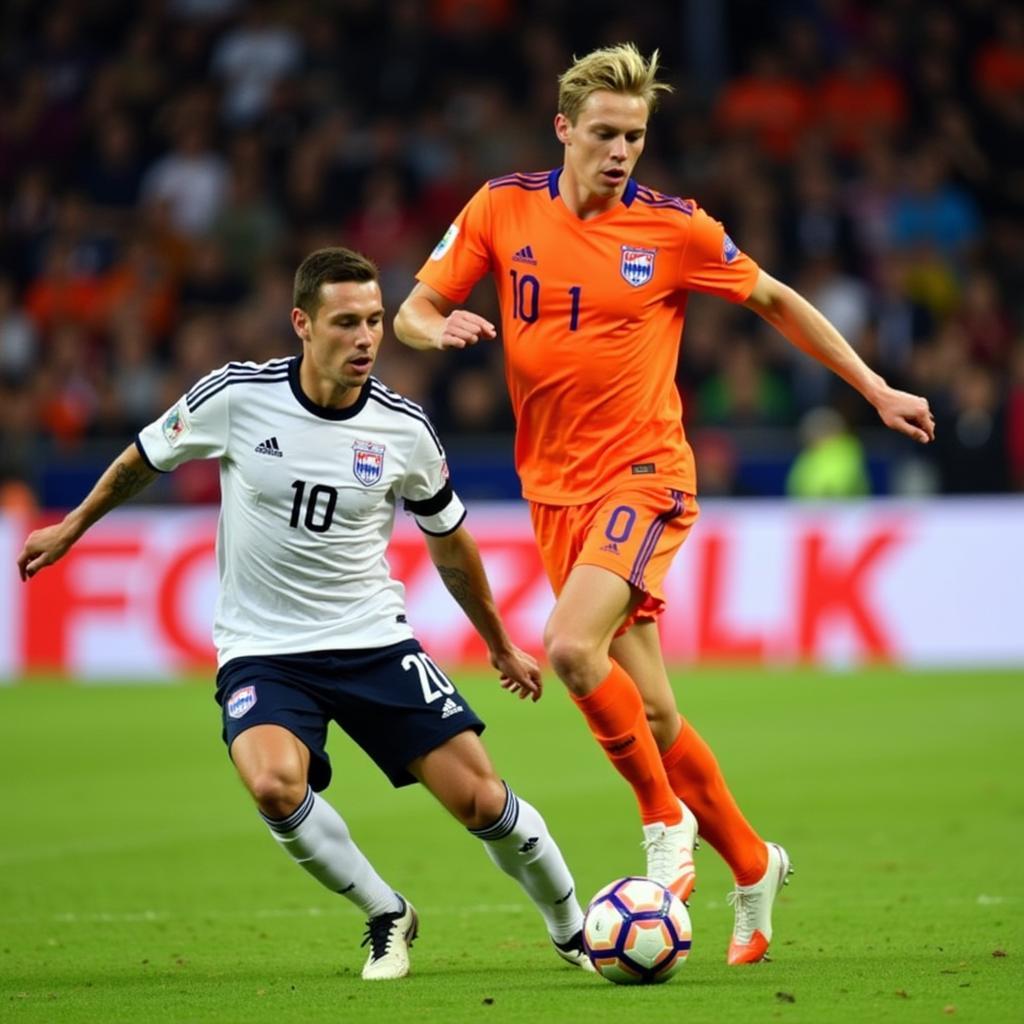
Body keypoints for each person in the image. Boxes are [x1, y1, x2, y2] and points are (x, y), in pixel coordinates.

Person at [394, 43, 936, 965]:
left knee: (568, 646)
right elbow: (411, 305)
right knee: (650, 714)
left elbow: (775, 299)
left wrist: (873, 386)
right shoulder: (500, 206)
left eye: (635, 137)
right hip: (553, 491)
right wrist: (434, 325)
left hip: (646, 474)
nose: (620, 152)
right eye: (604, 134)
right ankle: (755, 862)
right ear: (563, 128)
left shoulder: (675, 230)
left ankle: (662, 822)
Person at [17, 246, 593, 981]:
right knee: (272, 784)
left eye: (376, 322)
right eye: (346, 322)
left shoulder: (404, 430)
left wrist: (501, 643)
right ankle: (388, 913)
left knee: (482, 799)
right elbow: (142, 458)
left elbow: (451, 546)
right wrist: (71, 527)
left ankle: (575, 931)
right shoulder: (235, 397)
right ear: (302, 323)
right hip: (264, 649)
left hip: (374, 643)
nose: (366, 339)